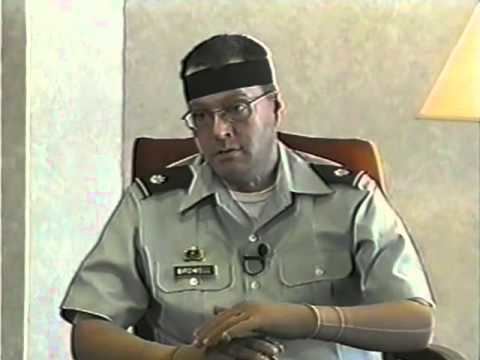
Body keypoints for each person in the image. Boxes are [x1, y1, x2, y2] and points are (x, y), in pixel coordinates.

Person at [60, 34, 436, 360]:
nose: (219, 130)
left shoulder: (349, 198)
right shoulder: (151, 204)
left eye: (237, 108)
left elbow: (417, 325)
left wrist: (303, 318)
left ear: (275, 108)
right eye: (201, 116)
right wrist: (181, 358)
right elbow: (90, 334)